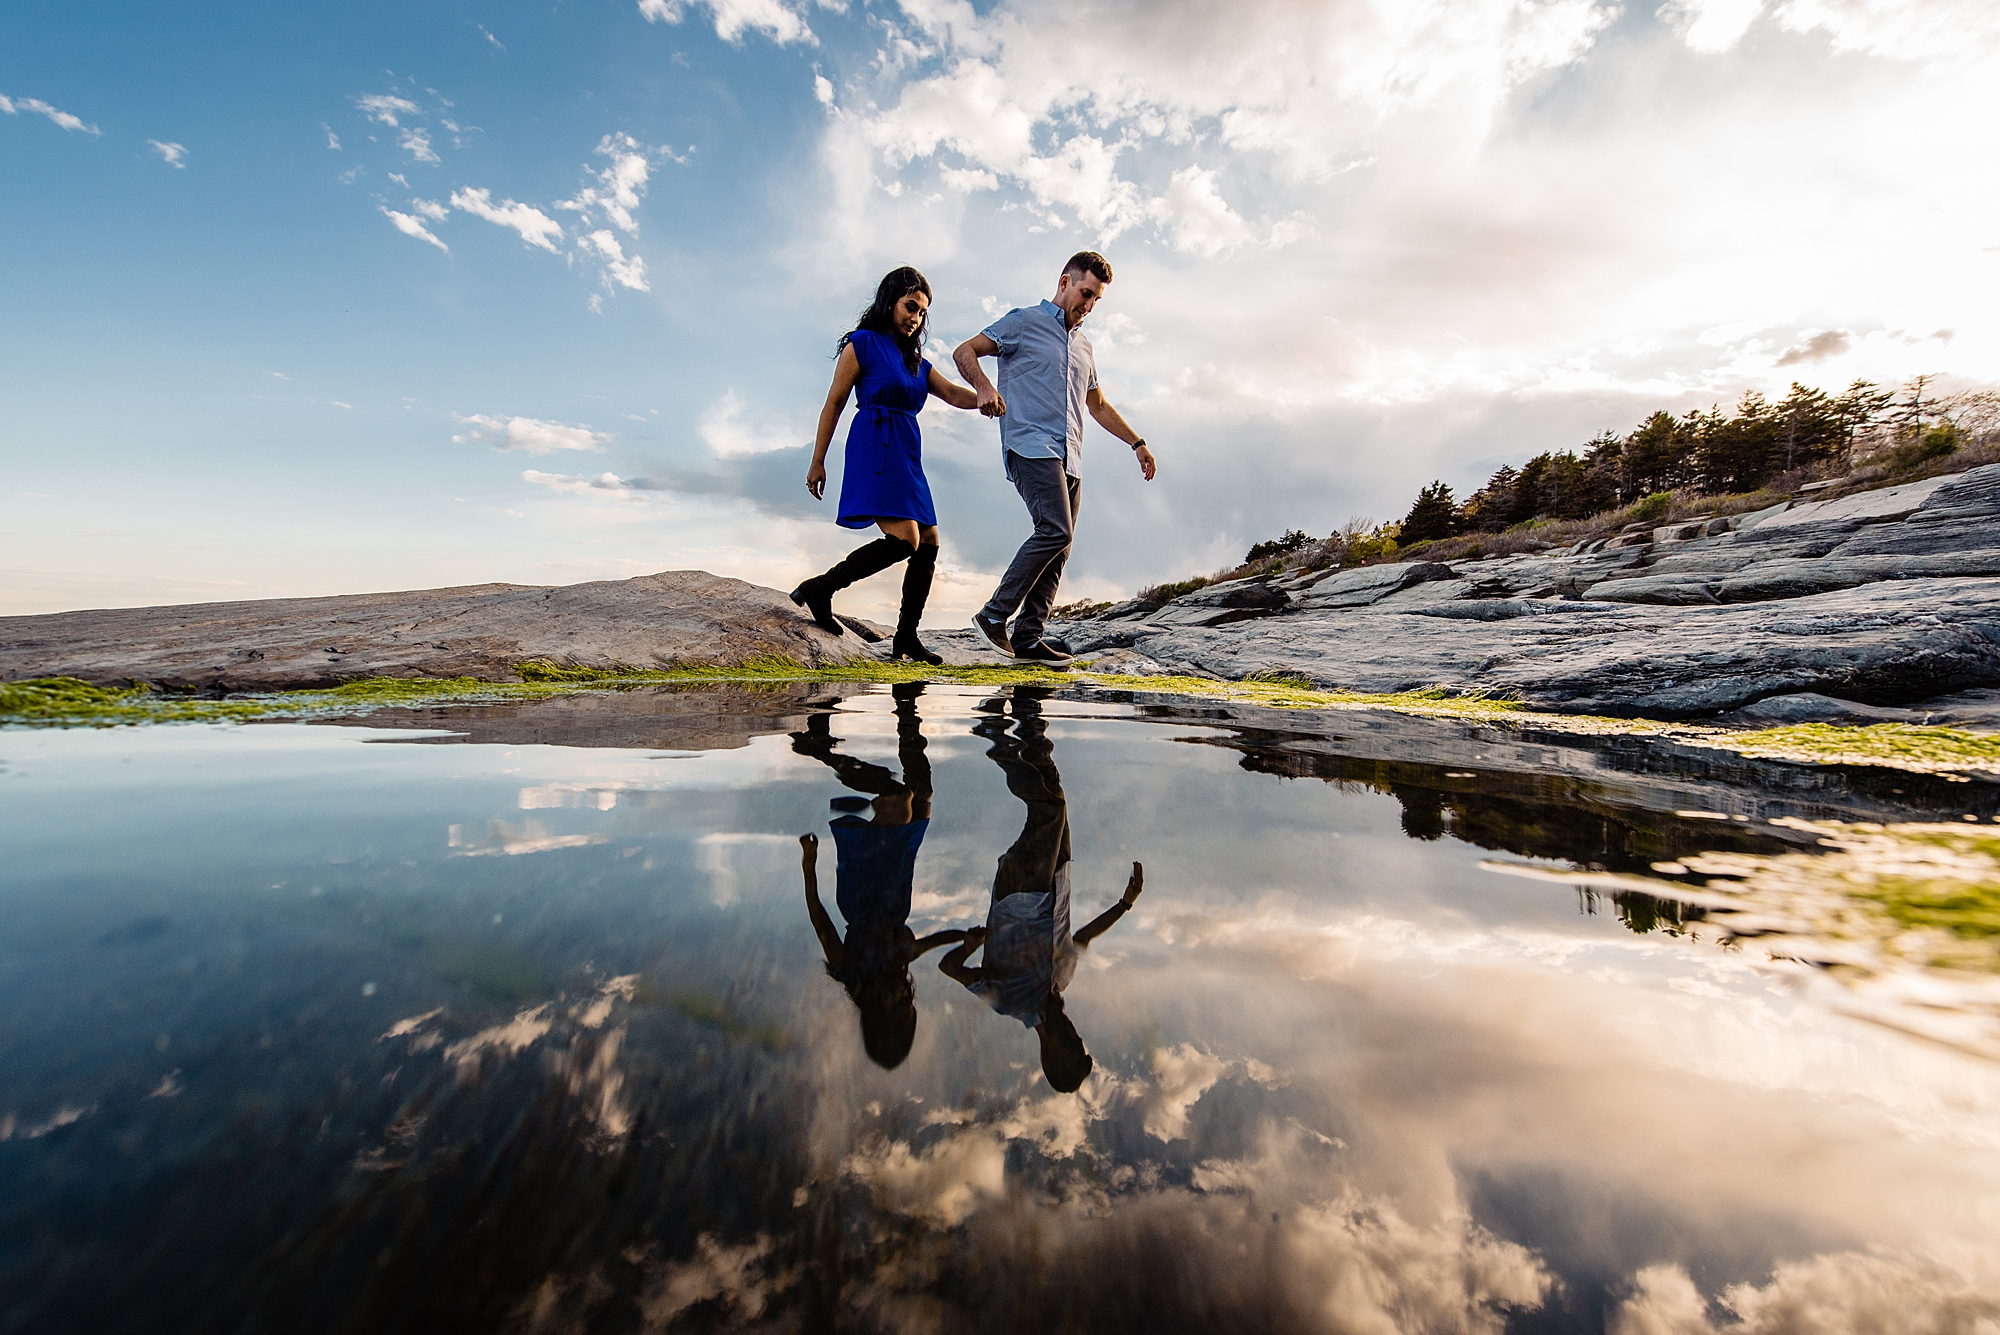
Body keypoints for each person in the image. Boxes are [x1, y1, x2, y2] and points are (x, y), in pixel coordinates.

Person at [953, 251, 1158, 665]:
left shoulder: (1084, 347)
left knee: (1060, 547)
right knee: (1055, 529)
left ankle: (1029, 638)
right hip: (1029, 444)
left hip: (1071, 455)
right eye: (1085, 293)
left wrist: (1137, 443)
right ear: (1065, 282)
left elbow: (1097, 405)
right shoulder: (1023, 322)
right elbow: (964, 352)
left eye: (1097, 299)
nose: (1089, 305)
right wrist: (984, 389)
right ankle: (993, 616)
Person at [937, 691, 1144, 1093]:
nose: (1074, 1034)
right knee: (1055, 795)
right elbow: (1081, 937)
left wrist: (969, 945)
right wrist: (1124, 904)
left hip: (1018, 895)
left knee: (1047, 810)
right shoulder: (1062, 980)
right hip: (1057, 879)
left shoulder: (1010, 1003)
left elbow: (950, 970)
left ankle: (993, 734)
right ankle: (1029, 716)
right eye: (1080, 1040)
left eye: (1071, 1043)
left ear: (1051, 1053)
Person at [792, 267, 983, 665]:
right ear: (890, 302)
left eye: (921, 313)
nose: (915, 318)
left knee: (928, 541)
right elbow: (834, 403)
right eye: (909, 307)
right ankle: (820, 587)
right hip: (874, 445)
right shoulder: (862, 344)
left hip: (907, 453)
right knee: (905, 541)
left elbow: (951, 393)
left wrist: (987, 396)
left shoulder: (916, 362)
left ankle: (906, 637)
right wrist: (817, 460)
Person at [795, 685, 965, 1069]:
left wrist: (809, 863)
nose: (903, 999)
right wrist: (973, 934)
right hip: (897, 877)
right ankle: (907, 709)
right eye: (907, 1006)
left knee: (898, 798)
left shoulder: (849, 969)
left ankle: (822, 750)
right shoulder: (899, 965)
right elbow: (934, 942)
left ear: (875, 1013)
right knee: (922, 795)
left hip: (865, 888)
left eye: (897, 1008)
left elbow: (820, 922)